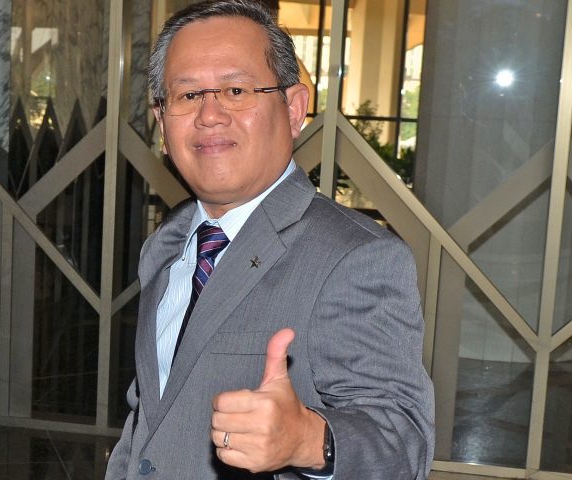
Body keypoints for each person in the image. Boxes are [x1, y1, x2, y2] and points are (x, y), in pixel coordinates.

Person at [106, 1, 435, 478]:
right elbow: (149, 419)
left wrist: (307, 440)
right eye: (187, 94)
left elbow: (404, 445)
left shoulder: (355, 256)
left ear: (294, 109)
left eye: (236, 90)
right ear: (162, 121)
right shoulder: (165, 247)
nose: (209, 115)